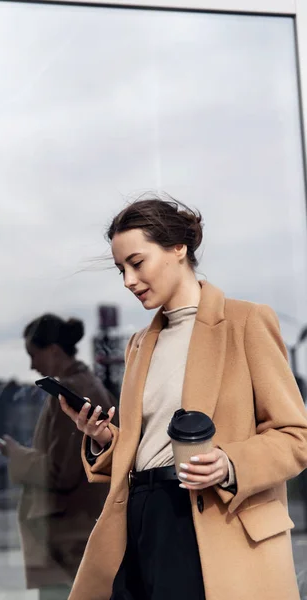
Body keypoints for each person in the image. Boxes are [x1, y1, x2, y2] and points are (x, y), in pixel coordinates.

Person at [60, 197, 307, 600]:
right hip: (140, 515)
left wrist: (229, 464)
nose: (128, 280)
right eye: (121, 269)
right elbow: (149, 446)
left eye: (137, 263)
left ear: (179, 249)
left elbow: (296, 436)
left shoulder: (246, 322)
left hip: (209, 520)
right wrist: (104, 438)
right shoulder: (139, 344)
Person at [0, 314, 116, 598]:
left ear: (53, 351)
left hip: (68, 543)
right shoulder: (87, 386)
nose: (32, 364)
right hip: (79, 536)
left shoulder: (71, 394)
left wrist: (16, 456)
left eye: (33, 354)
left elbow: (61, 471)